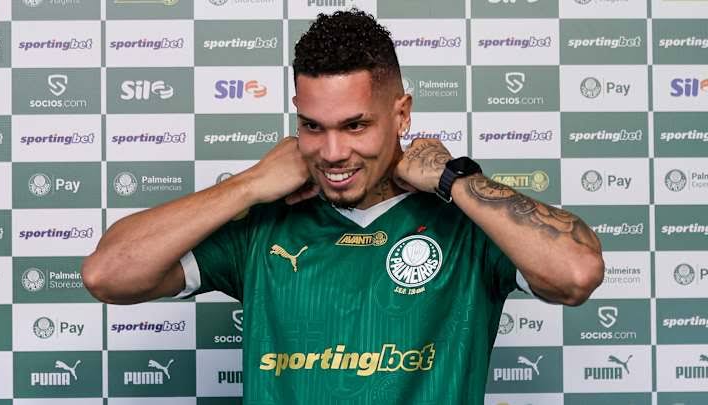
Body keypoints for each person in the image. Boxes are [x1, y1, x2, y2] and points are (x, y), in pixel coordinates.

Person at [82, 9, 604, 404]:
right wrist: (249, 184)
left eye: (355, 126)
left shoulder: (465, 225)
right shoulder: (265, 225)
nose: (332, 153)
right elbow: (108, 275)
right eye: (313, 126)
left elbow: (576, 274)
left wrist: (453, 179)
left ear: (402, 114)